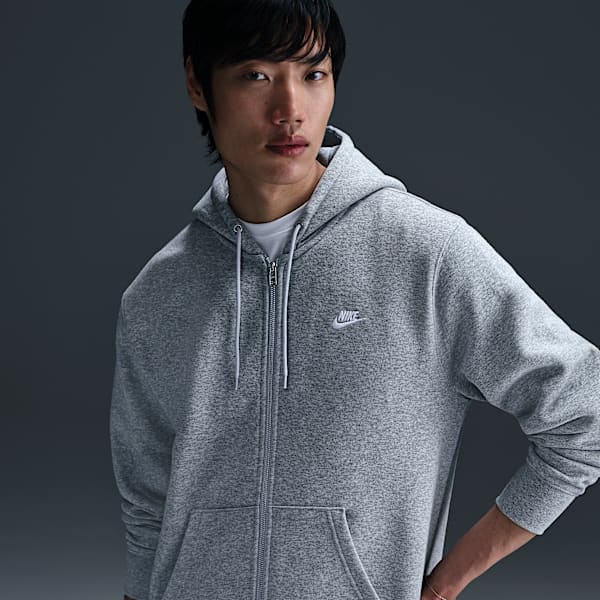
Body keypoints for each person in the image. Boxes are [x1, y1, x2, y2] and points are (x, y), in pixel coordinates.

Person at [109, 1, 600, 599]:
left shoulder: (426, 253)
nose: (291, 110)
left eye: (313, 74)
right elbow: (148, 503)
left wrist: (447, 583)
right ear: (197, 84)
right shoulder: (159, 292)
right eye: (256, 75)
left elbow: (587, 416)